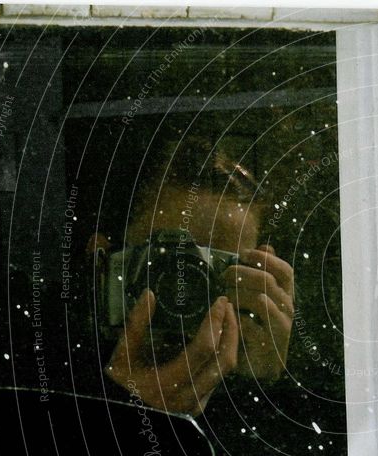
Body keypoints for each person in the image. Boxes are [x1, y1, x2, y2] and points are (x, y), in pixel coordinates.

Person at [96, 134, 294, 417]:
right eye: (167, 257)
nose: (186, 286)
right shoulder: (41, 366)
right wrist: (119, 404)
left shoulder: (247, 391)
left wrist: (260, 386)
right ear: (102, 262)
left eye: (216, 269)